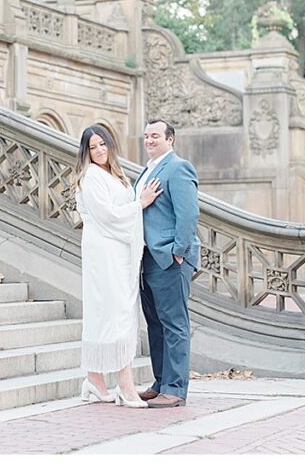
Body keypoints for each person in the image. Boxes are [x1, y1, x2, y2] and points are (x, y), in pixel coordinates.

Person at [74, 124, 162, 408]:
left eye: (103, 144)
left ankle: (95, 380)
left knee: (114, 310)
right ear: (86, 152)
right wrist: (140, 204)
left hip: (118, 249)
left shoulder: (116, 175)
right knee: (113, 312)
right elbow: (107, 216)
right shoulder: (91, 177)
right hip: (104, 250)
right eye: (93, 147)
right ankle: (124, 385)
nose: (99, 150)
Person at [134, 119, 200, 408]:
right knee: (155, 325)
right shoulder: (146, 170)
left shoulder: (178, 167)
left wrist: (179, 251)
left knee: (174, 325)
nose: (149, 140)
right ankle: (160, 382)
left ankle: (175, 389)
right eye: (147, 136)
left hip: (170, 258)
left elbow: (188, 214)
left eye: (156, 136)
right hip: (146, 258)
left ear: (170, 139)